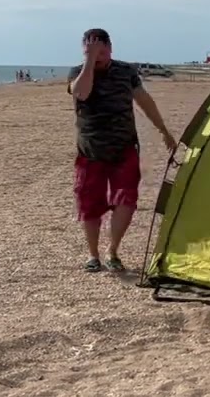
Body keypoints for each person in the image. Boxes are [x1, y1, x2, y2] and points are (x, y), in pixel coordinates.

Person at [68, 27, 177, 273]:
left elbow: (144, 100)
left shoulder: (126, 72)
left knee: (126, 200)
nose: (97, 56)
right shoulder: (78, 73)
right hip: (90, 151)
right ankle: (93, 255)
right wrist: (89, 61)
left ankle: (113, 251)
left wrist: (163, 130)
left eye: (101, 51)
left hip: (124, 148)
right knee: (89, 205)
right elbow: (81, 93)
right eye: (89, 51)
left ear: (110, 48)